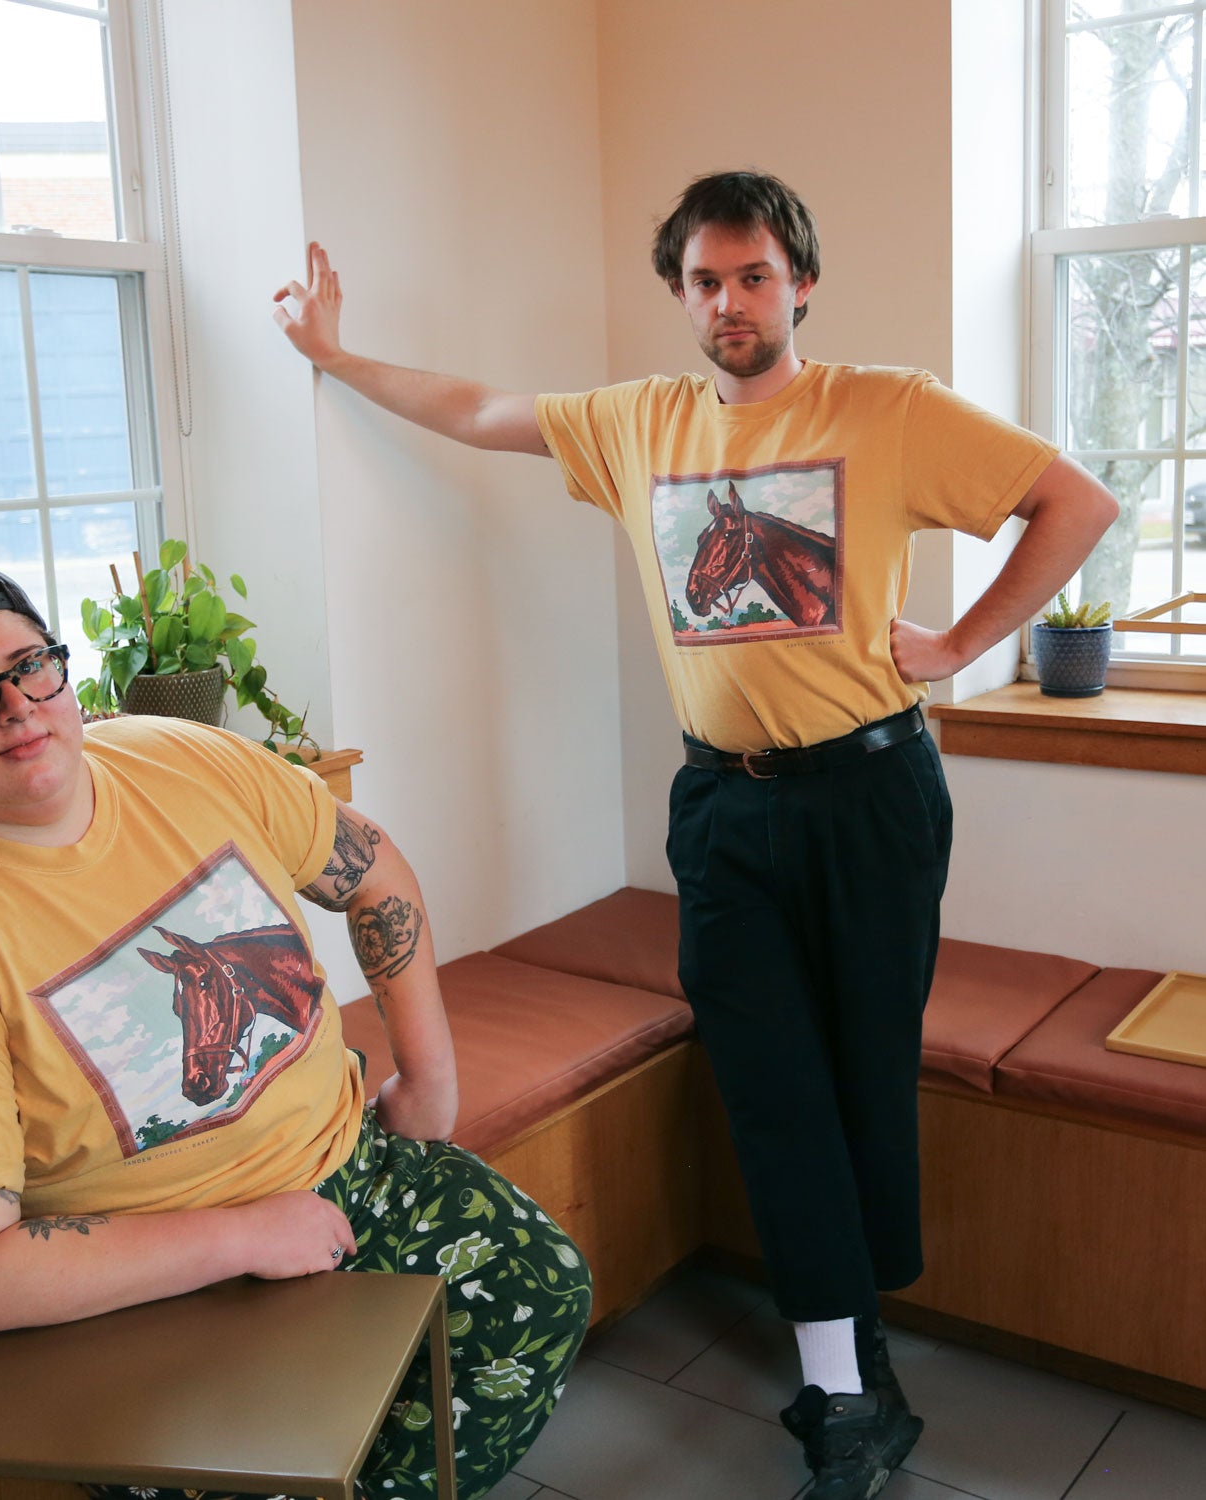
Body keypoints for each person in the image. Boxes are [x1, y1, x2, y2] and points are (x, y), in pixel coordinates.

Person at [272, 170, 1119, 1499]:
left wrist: (959, 644)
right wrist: (334, 357)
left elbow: (1075, 502)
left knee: (860, 1065)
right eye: (705, 281)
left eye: (754, 276)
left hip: (870, 798)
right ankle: (841, 1393)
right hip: (722, 806)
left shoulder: (885, 408)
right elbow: (481, 411)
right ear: (680, 294)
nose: (730, 301)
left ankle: (859, 1329)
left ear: (801, 284)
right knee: (770, 1081)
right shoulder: (639, 425)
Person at [0, 560, 591, 1500]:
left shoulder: (176, 758)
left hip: (352, 1167)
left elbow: (370, 869)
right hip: (145, 1284)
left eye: (31, 665)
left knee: (540, 1294)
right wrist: (239, 1237)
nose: (18, 706)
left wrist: (429, 1076)